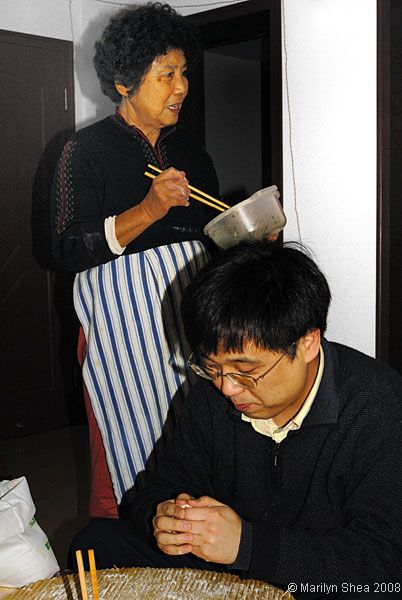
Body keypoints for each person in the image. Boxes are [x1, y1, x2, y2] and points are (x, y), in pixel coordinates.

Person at [70, 240, 402, 599]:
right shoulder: (213, 391)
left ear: (307, 344)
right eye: (212, 367)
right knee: (94, 544)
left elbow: (384, 567)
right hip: (229, 566)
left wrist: (249, 546)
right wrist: (164, 515)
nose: (227, 388)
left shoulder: (379, 407)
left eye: (246, 371)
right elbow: (161, 484)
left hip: (313, 579)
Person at [51, 2, 221, 518]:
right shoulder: (83, 150)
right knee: (123, 443)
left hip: (187, 313)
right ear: (125, 82)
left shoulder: (189, 148)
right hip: (118, 325)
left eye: (183, 72)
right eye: (165, 74)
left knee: (196, 431)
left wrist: (250, 235)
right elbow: (63, 248)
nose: (180, 87)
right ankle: (122, 554)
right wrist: (147, 210)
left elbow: (209, 234)